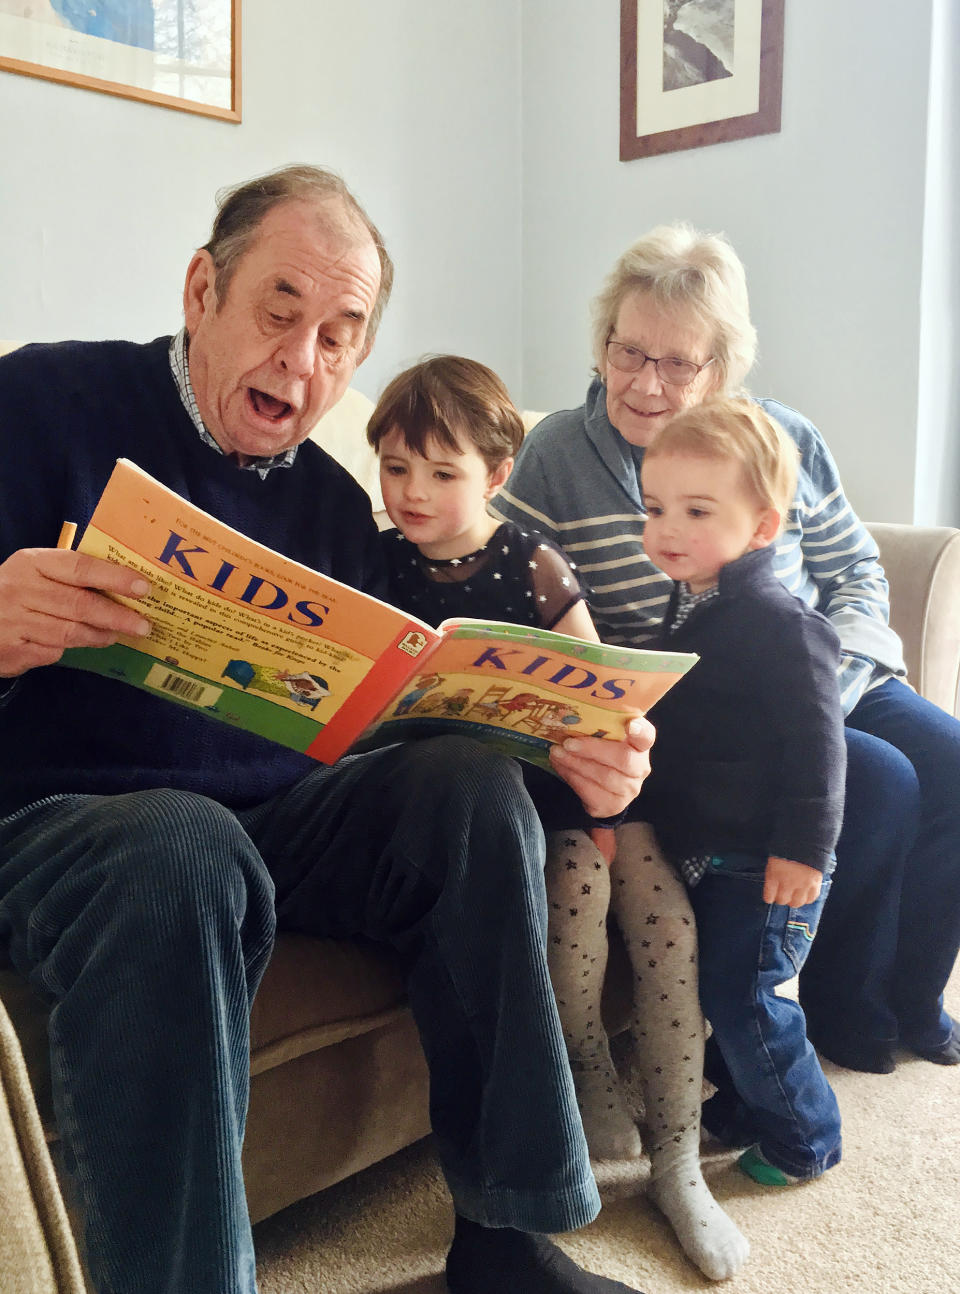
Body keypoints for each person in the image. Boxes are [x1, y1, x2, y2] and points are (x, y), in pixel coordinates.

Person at [0, 166, 658, 1294]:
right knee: (178, 846)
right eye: (279, 312)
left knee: (466, 788)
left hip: (278, 813)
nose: (305, 364)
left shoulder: (334, 508)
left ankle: (509, 1238)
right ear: (203, 288)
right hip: (72, 823)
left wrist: (572, 747)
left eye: (342, 336)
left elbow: (391, 709)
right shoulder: (39, 404)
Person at [492, 221, 960, 1078]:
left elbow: (853, 569)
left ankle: (913, 998)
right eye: (627, 351)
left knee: (950, 758)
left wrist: (837, 682)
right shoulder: (557, 454)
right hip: (705, 717)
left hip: (829, 673)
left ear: (723, 368)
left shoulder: (778, 437)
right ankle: (843, 1014)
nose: (645, 383)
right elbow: (513, 591)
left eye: (679, 363)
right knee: (882, 780)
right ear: (602, 345)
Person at [367, 354, 749, 1280]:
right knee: (571, 893)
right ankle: (583, 1078)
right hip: (483, 811)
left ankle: (678, 1160)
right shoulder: (374, 563)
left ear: (497, 478)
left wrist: (611, 756)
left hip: (583, 789)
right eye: (395, 468)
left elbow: (606, 697)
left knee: (662, 921)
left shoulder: (528, 561)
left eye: (442, 472)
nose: (413, 492)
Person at [637, 396, 845, 1184]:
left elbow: (820, 749)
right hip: (712, 853)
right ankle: (749, 1100)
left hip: (766, 860)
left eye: (696, 510)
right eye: (655, 507)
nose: (668, 529)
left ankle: (805, 1138)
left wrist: (802, 852)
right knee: (714, 986)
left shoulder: (777, 621)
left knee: (747, 997)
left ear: (762, 526)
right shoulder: (694, 600)